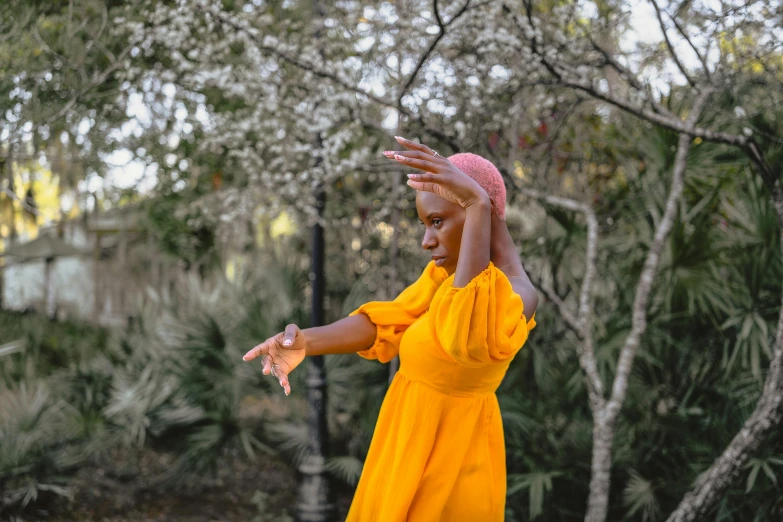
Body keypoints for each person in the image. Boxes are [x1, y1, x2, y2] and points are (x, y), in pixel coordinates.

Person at [243, 136, 539, 521]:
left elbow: (463, 337)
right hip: (402, 451)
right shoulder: (443, 277)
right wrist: (306, 343)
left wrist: (477, 201)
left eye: (437, 222)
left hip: (450, 471)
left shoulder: (517, 293)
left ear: (482, 213)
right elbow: (391, 320)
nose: (426, 241)